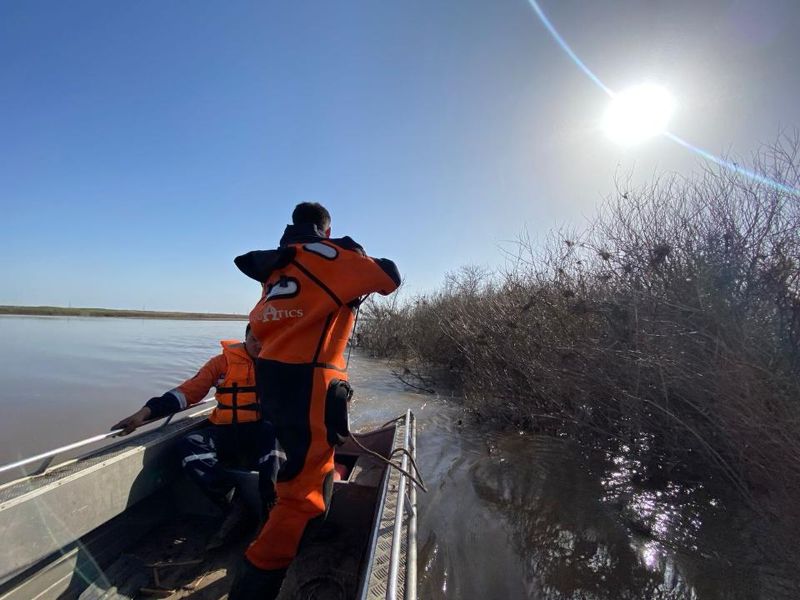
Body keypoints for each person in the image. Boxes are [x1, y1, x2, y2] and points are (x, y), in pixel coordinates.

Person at [229, 202, 400, 598]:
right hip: (310, 381)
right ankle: (257, 578)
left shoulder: (277, 265)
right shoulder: (331, 256)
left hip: (272, 378)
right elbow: (389, 277)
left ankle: (283, 535)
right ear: (326, 228)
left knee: (303, 469)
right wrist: (351, 251)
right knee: (305, 493)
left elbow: (253, 321)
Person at [111, 324, 282, 548]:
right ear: (245, 339)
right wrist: (146, 412)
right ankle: (232, 502)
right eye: (255, 339)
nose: (260, 345)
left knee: (276, 436)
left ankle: (271, 507)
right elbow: (187, 392)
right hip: (227, 431)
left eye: (265, 340)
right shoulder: (221, 363)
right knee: (190, 444)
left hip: (262, 430)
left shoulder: (282, 363)